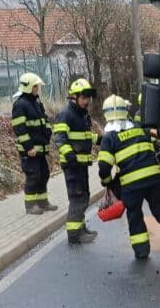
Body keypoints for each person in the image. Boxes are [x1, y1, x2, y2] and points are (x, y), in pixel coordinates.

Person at [97, 94, 160, 260]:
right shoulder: (139, 127)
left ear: (106, 114)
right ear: (125, 110)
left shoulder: (109, 138)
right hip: (154, 179)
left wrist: (107, 182)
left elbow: (104, 167)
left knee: (135, 216)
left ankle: (142, 251)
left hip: (131, 185)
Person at [53, 78, 100, 244]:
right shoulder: (65, 114)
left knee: (84, 196)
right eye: (84, 97)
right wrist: (70, 156)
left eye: (88, 97)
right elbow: (60, 138)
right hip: (73, 165)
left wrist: (100, 139)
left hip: (81, 164)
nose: (87, 101)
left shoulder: (82, 114)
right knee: (77, 197)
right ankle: (74, 235)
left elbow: (84, 137)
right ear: (74, 97)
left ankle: (80, 228)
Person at [10, 73, 57, 214]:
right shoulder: (20, 105)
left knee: (44, 174)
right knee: (33, 176)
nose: (38, 89)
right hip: (29, 150)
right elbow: (20, 128)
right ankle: (30, 205)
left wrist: (48, 132)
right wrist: (29, 147)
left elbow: (44, 120)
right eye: (36, 86)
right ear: (29, 87)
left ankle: (42, 202)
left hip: (40, 148)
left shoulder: (36, 102)